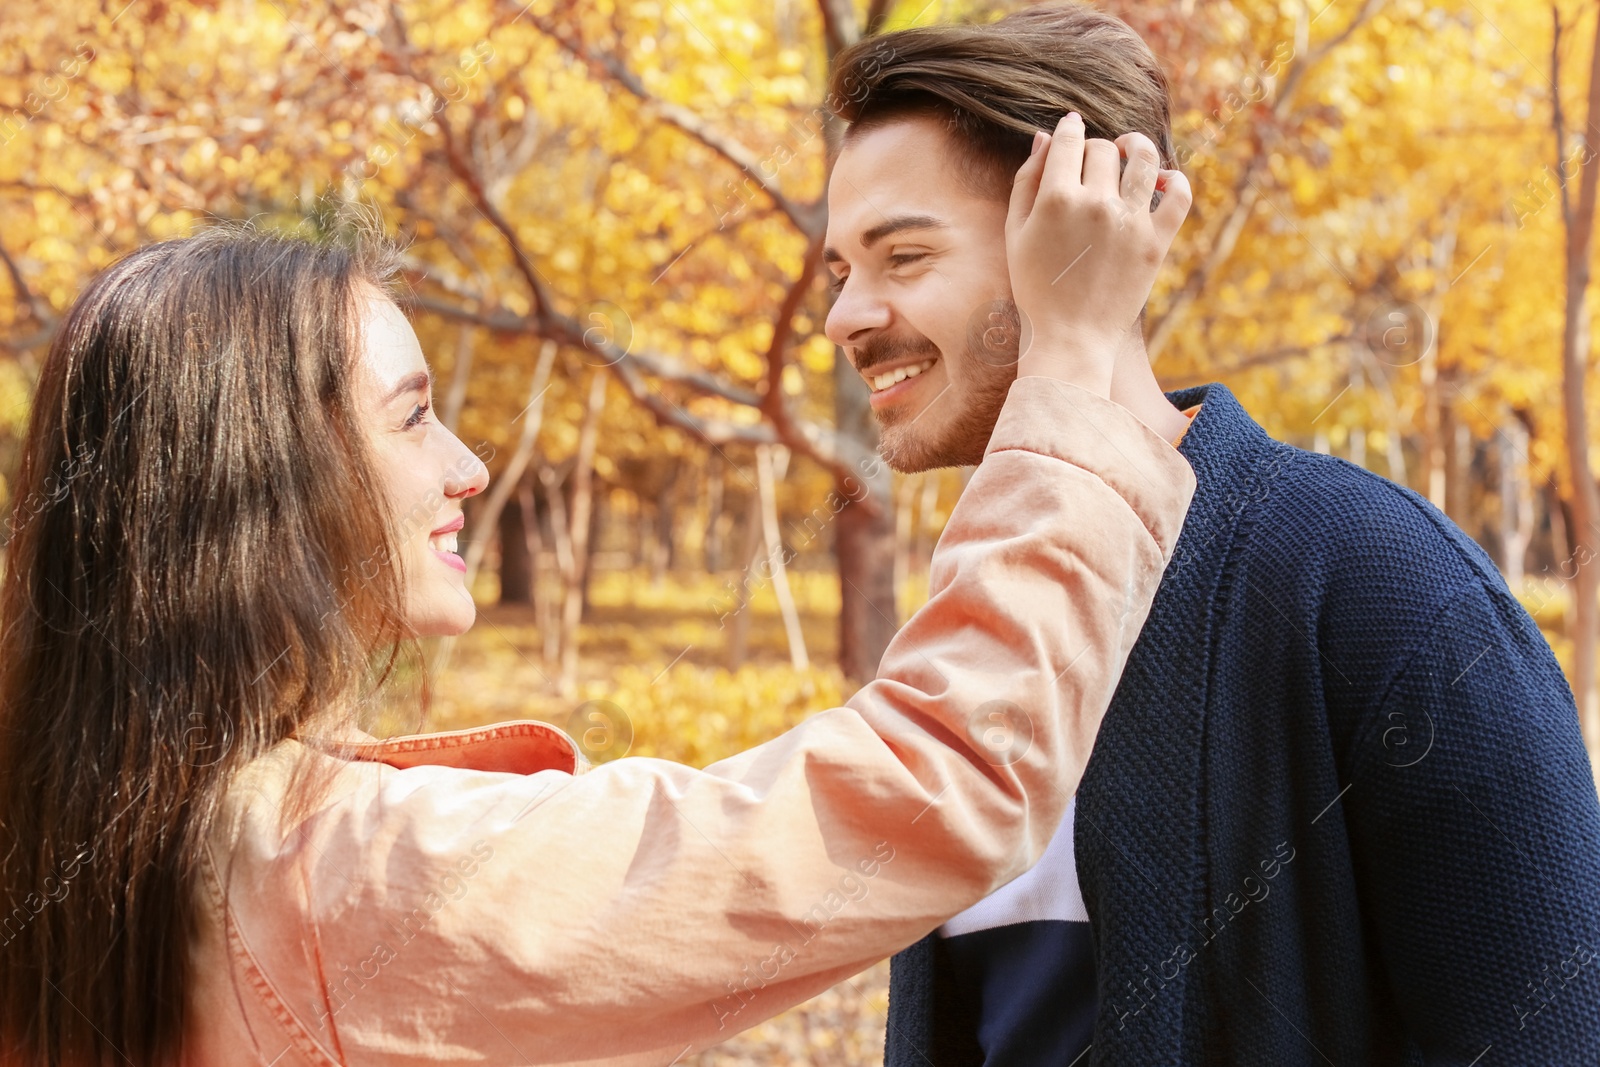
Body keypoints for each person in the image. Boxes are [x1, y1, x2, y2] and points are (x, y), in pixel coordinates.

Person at [0, 114, 1195, 1064]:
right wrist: (1074, 364)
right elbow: (930, 783)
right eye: (413, 416)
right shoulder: (355, 877)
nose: (468, 466)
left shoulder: (86, 825)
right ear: (261, 480)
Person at [820, 5, 1600, 1065]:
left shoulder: (1385, 587)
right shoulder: (978, 623)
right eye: (838, 273)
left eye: (902, 256)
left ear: (1078, 229)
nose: (845, 316)